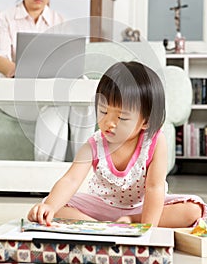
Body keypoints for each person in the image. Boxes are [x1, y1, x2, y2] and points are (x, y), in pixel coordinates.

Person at [28, 61, 207, 227]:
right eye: (103, 111)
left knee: (193, 209)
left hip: (143, 207)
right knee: (54, 206)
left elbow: (155, 187)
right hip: (102, 207)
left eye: (121, 117)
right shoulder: (94, 144)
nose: (109, 122)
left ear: (146, 121)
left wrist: (146, 227)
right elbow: (71, 179)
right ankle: (104, 227)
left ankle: (130, 221)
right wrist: (50, 205)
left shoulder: (155, 141)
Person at [0, 0, 95, 161]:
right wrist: (19, 70)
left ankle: (81, 167)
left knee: (81, 99)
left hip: (51, 89)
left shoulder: (60, 21)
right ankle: (47, 179)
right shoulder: (5, 17)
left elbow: (68, 62)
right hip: (15, 93)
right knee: (56, 103)